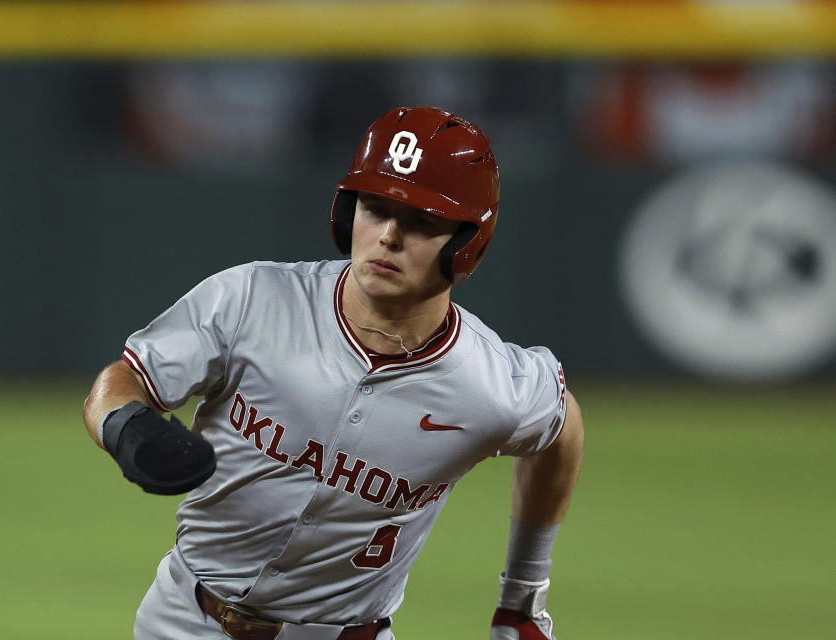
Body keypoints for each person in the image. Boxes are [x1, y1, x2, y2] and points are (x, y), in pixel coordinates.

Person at [83, 106, 584, 640]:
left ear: (468, 243)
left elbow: (562, 427)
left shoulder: (492, 385)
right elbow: (122, 381)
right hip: (185, 619)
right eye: (375, 208)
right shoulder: (252, 300)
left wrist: (523, 597)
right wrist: (128, 430)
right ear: (348, 213)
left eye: (421, 222)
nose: (388, 235)